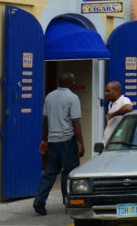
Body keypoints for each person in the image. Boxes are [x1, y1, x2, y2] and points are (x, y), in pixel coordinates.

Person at [34, 73, 85, 216]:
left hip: (53, 140)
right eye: (73, 81)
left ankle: (40, 200)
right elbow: (75, 121)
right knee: (69, 171)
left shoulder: (49, 96)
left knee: (51, 170)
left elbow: (45, 120)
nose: (75, 83)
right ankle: (68, 202)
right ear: (69, 83)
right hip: (67, 139)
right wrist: (80, 142)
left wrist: (44, 139)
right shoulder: (72, 97)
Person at [102, 81, 133, 146]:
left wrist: (112, 114)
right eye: (105, 91)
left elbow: (128, 108)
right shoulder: (111, 104)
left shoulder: (123, 100)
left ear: (116, 91)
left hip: (116, 144)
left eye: (108, 91)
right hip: (106, 142)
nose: (105, 93)